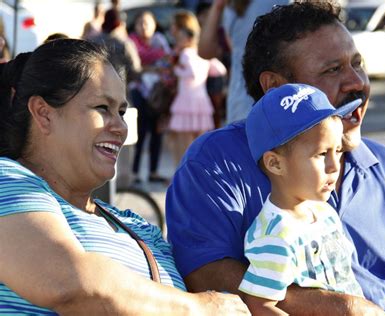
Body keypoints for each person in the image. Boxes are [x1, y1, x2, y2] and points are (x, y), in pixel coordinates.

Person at [166, 2, 385, 315]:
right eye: (333, 69)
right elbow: (203, 274)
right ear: (275, 88)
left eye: (358, 64)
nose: (358, 83)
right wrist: (340, 308)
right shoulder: (217, 163)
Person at [0, 38, 249, 315]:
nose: (120, 126)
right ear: (44, 114)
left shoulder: (137, 225)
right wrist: (199, 307)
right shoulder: (7, 180)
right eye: (102, 108)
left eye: (121, 111)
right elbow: (69, 283)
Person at [240, 83, 364, 315]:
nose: (334, 165)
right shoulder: (275, 236)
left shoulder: (324, 211)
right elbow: (259, 304)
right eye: (321, 154)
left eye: (338, 150)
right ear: (275, 163)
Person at [198, 0, 291, 124]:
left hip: (278, 102)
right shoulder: (233, 7)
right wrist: (217, 6)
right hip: (242, 104)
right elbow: (206, 51)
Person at [168, 11, 226, 166]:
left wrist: (177, 70)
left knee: (183, 146)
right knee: (201, 146)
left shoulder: (185, 53)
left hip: (186, 101)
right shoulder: (202, 54)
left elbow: (191, 73)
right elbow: (220, 69)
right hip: (202, 101)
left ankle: (181, 176)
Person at [128, 10, 172, 183]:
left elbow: (168, 63)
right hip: (138, 91)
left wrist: (147, 66)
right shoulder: (131, 42)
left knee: (157, 132)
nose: (144, 26)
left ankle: (153, 171)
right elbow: (133, 69)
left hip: (158, 93)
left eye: (148, 22)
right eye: (140, 23)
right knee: (139, 132)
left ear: (155, 25)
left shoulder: (161, 41)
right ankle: (135, 172)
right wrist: (153, 67)